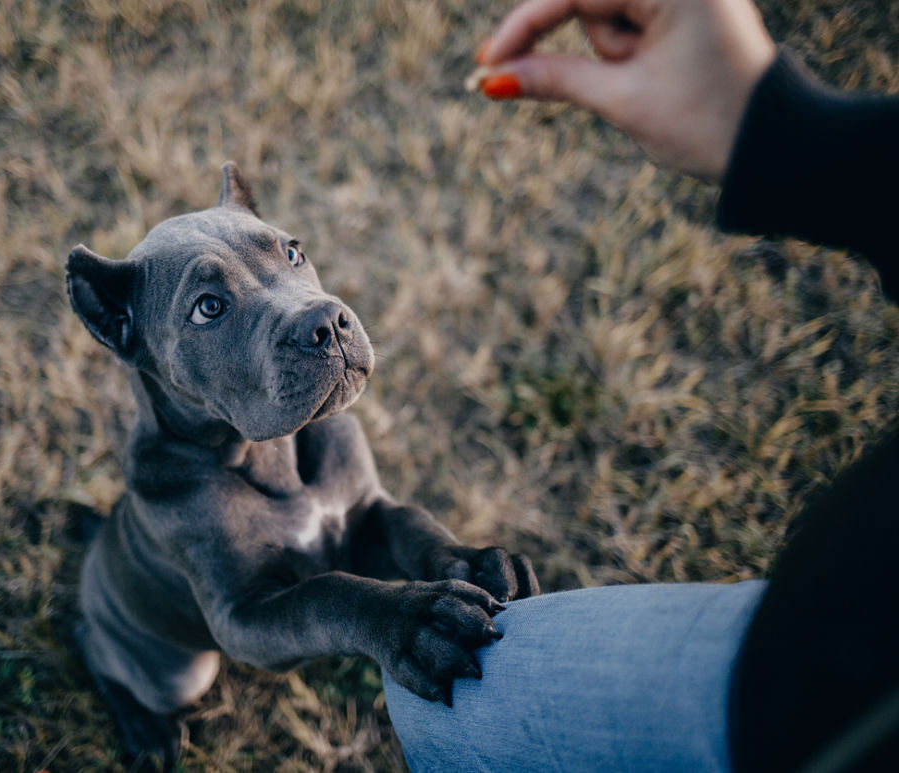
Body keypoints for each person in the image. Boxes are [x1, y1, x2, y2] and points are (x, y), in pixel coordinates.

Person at [382, 1, 899, 770]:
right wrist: (776, 130)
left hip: (809, 708)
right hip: (815, 654)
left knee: (440, 695)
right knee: (448, 692)